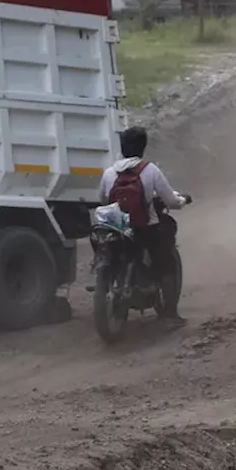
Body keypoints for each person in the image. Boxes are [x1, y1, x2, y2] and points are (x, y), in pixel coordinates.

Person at [100, 126, 189, 326]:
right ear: (143, 147)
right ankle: (170, 314)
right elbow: (170, 200)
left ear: (122, 147)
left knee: (107, 253)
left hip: (117, 229)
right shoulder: (150, 170)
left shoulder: (108, 173)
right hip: (145, 229)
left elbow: (103, 199)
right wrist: (183, 200)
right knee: (167, 263)